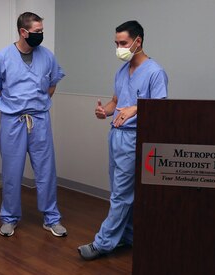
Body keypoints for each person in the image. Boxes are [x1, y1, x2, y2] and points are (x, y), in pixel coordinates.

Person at [78, 20, 168, 260]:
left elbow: (160, 109)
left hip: (135, 138)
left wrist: (135, 109)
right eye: (116, 43)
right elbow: (117, 102)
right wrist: (104, 112)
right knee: (119, 191)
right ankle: (128, 236)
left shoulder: (155, 72)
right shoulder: (122, 70)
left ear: (138, 41)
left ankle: (103, 243)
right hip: (115, 136)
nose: (119, 48)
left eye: (123, 43)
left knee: (121, 194)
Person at [0, 12, 67, 237]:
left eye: (42, 31)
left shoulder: (47, 57)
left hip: (40, 119)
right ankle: (9, 218)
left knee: (46, 170)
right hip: (13, 121)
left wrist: (39, 103)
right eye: (37, 32)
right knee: (11, 171)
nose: (40, 35)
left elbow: (52, 84)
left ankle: (52, 218)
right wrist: (11, 106)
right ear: (23, 32)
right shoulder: (2, 57)